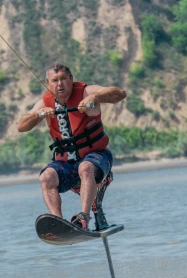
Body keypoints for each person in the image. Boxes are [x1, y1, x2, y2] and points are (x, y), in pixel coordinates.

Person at [17, 63, 126, 229]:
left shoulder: (86, 91)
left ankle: (84, 216)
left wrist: (96, 97)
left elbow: (119, 94)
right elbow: (21, 126)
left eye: (63, 79)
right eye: (55, 80)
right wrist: (39, 114)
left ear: (71, 79)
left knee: (85, 167)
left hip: (97, 157)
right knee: (46, 177)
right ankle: (59, 222)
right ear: (48, 83)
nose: (59, 84)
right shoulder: (45, 102)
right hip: (66, 163)